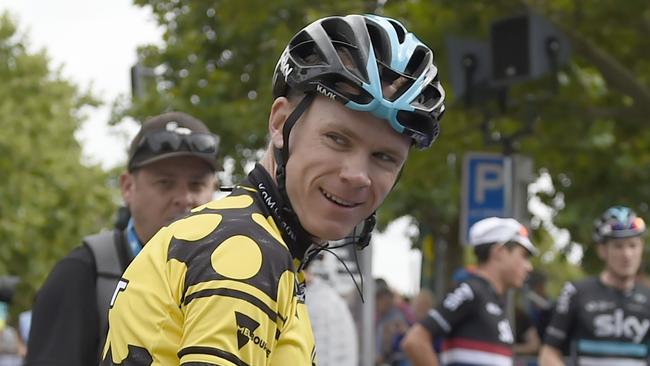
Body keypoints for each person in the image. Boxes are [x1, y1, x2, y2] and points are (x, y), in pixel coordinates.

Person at [100, 13, 445, 366]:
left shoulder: (240, 235)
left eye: (384, 157)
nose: (357, 175)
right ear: (280, 123)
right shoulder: (246, 253)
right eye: (337, 139)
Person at [25, 112, 220, 366]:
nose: (184, 198)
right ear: (128, 187)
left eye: (196, 185)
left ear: (214, 189)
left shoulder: (230, 279)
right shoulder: (82, 274)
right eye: (165, 183)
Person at [401, 217, 537, 366]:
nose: (528, 266)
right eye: (523, 256)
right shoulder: (470, 291)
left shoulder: (493, 299)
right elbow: (415, 340)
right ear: (499, 252)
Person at [539, 206, 650, 366]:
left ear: (641, 248)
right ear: (602, 250)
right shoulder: (576, 292)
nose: (627, 254)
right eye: (618, 246)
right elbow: (549, 353)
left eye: (633, 245)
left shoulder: (648, 298)